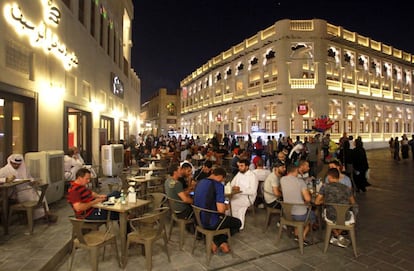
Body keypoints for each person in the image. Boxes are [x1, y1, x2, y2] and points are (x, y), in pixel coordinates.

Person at [193, 167, 242, 254]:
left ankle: (218, 242)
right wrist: (226, 204)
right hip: (210, 222)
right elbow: (221, 210)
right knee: (237, 223)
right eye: (223, 179)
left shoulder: (200, 182)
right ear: (220, 177)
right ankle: (218, 241)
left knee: (222, 223)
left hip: (198, 220)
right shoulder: (218, 186)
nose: (222, 181)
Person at [0, 154, 57, 221]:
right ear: (10, 162)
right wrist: (6, 179)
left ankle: (44, 213)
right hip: (14, 192)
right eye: (14, 164)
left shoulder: (24, 169)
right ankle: (43, 214)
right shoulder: (4, 170)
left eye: (18, 164)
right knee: (31, 195)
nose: (16, 166)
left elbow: (29, 177)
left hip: (26, 188)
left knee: (40, 194)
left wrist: (33, 181)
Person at [315, 168, 357, 248]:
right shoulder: (347, 188)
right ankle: (338, 235)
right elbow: (353, 203)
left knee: (324, 213)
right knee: (349, 215)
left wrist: (325, 202)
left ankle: (336, 234)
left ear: (330, 177)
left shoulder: (325, 186)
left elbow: (317, 202)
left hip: (330, 216)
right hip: (345, 217)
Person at [280, 164, 315, 243]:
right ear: (296, 171)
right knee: (312, 215)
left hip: (287, 213)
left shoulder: (282, 180)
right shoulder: (300, 182)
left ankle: (296, 233)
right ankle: (302, 236)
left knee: (301, 210)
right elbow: (308, 199)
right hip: (299, 215)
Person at [230, 159, 258, 230]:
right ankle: (231, 222)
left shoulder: (252, 176)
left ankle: (238, 225)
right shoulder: (239, 174)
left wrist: (240, 189)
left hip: (247, 198)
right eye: (239, 166)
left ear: (247, 167)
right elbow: (232, 184)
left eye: (242, 166)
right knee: (226, 202)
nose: (239, 167)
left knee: (234, 203)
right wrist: (233, 187)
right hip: (236, 195)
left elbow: (253, 191)